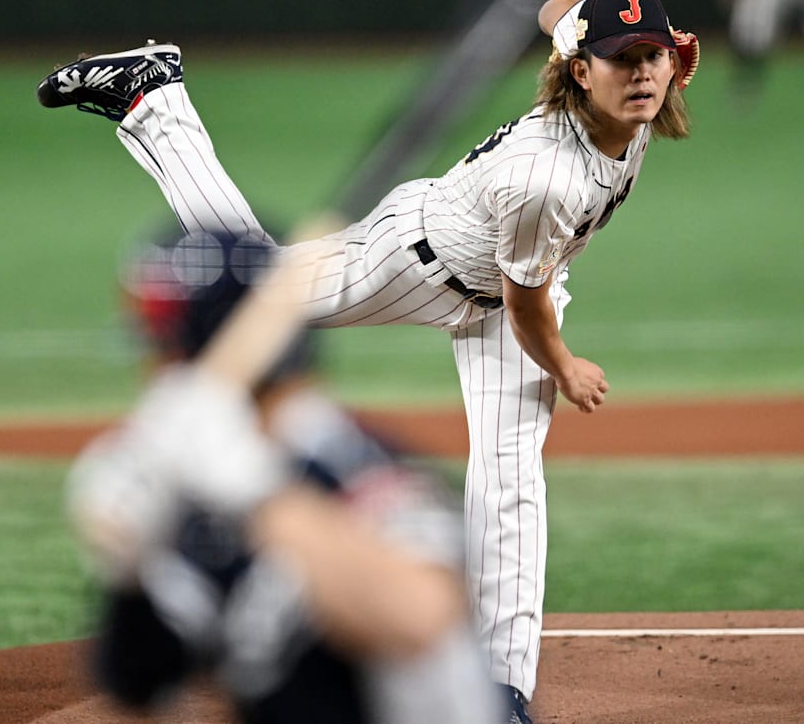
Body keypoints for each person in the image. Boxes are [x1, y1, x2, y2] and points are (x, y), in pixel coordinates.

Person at [38, 0, 700, 724]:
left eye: (653, 55)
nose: (642, 73)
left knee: (511, 476)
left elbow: (559, 16)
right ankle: (154, 100)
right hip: (420, 259)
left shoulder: (617, 87)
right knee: (262, 293)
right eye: (623, 59)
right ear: (582, 71)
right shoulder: (546, 178)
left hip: (511, 284)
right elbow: (527, 307)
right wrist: (567, 368)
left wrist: (569, 15)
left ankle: (505, 690)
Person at [66, 228, 505, 724]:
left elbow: (418, 619)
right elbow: (141, 682)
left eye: (161, 345)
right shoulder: (201, 487)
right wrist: (127, 573)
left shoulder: (358, 464)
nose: (151, 369)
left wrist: (258, 492)